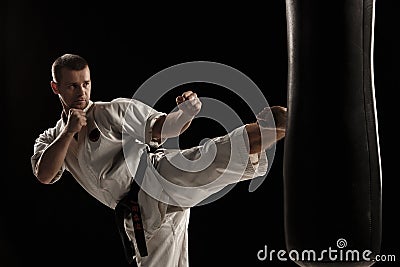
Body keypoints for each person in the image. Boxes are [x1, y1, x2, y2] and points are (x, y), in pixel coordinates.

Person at [31, 53, 287, 267]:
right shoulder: (51, 139)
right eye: (72, 86)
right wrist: (68, 132)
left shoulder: (110, 112)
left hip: (156, 178)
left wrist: (184, 114)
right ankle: (272, 129)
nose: (81, 92)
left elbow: (163, 128)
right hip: (139, 217)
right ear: (56, 87)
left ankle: (276, 126)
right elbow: (44, 174)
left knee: (211, 157)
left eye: (85, 84)